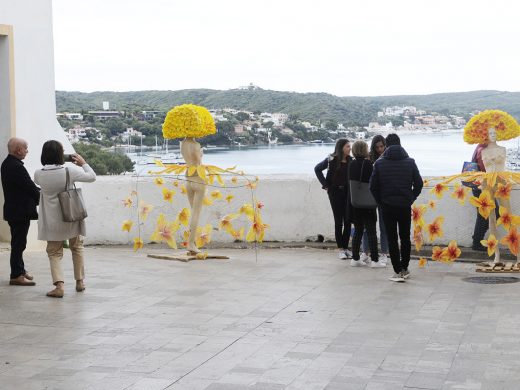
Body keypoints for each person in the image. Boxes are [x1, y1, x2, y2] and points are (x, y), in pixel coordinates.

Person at [34, 140, 96, 298]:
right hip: (71, 216)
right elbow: (92, 177)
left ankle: (59, 285)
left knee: (54, 252)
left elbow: (38, 184)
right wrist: (83, 163)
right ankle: (80, 281)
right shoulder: (69, 171)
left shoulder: (38, 174)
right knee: (77, 247)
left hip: (52, 221)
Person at [370, 133, 423, 282]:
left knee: (392, 238)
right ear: (400, 144)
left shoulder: (379, 163)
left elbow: (373, 187)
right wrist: (411, 198)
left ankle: (397, 271)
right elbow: (419, 184)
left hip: (387, 206)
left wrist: (380, 202)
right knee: (405, 237)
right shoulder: (410, 162)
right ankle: (405, 268)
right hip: (404, 206)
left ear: (386, 145)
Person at [1, 138, 40, 286]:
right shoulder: (16, 166)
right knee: (18, 244)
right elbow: (29, 186)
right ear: (18, 150)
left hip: (15, 210)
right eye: (25, 148)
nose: (27, 151)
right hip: (19, 211)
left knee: (19, 242)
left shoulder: (9, 163)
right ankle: (16, 275)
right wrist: (45, 198)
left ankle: (20, 270)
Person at [315, 138, 353, 260]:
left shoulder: (350, 160)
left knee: (348, 221)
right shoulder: (331, 159)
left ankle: (346, 248)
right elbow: (317, 169)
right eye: (347, 146)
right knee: (339, 222)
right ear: (341, 147)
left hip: (348, 193)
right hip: (335, 193)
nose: (350, 148)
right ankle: (341, 249)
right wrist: (326, 185)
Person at [349, 140, 385, 268]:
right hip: (368, 203)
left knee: (358, 231)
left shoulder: (351, 164)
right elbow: (375, 181)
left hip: (355, 202)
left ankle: (355, 259)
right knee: (371, 232)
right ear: (363, 150)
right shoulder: (369, 164)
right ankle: (375, 260)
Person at [361, 135, 389, 263]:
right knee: (368, 227)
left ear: (385, 145)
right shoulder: (368, 158)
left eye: (382, 146)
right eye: (377, 147)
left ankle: (384, 253)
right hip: (370, 196)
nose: (379, 149)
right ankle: (365, 252)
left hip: (383, 196)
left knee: (384, 227)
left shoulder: (389, 157)